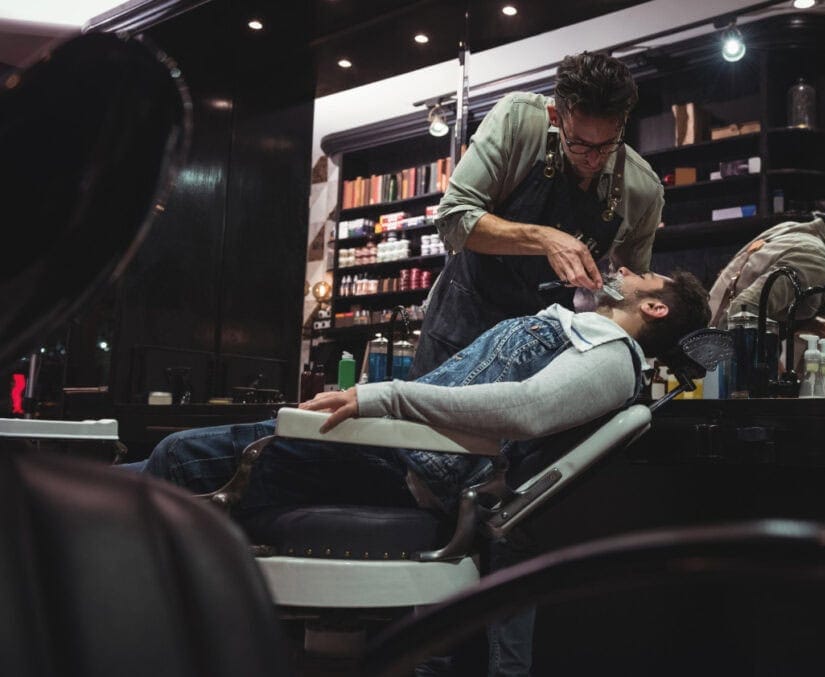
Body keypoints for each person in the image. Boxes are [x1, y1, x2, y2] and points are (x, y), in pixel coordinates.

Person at [128, 266, 710, 677]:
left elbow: (525, 410)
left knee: (182, 457)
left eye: (641, 275)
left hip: (400, 463)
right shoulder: (580, 330)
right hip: (388, 450)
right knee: (133, 473)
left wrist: (383, 397)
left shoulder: (611, 357)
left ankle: (109, 636)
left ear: (654, 307)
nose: (624, 269)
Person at [411, 50, 665, 378]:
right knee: (425, 422)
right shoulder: (517, 121)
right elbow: (453, 219)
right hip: (463, 320)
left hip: (542, 341)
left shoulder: (642, 190)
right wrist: (543, 238)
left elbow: (632, 289)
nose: (593, 159)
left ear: (623, 124)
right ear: (555, 117)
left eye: (607, 144)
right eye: (579, 144)